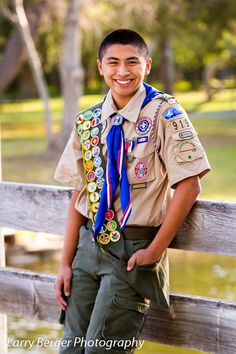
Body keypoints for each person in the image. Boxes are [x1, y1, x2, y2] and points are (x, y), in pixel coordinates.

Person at [54, 29, 210, 354]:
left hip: (132, 251)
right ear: (100, 67)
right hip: (88, 248)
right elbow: (79, 197)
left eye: (132, 62)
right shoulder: (88, 122)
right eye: (113, 62)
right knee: (70, 349)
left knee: (103, 350)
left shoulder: (164, 114)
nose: (122, 71)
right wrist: (65, 262)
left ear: (147, 65)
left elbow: (189, 185)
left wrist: (154, 251)